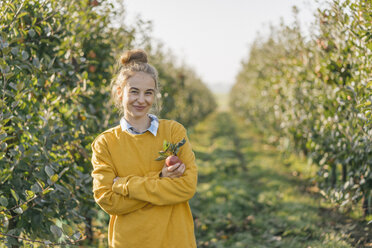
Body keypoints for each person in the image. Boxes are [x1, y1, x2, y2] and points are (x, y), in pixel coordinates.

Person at [91, 49, 198, 248]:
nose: (141, 100)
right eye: (134, 91)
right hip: (130, 242)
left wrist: (125, 186)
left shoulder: (174, 133)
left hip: (175, 240)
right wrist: (161, 181)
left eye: (148, 93)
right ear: (119, 92)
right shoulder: (105, 143)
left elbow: (187, 187)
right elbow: (108, 200)